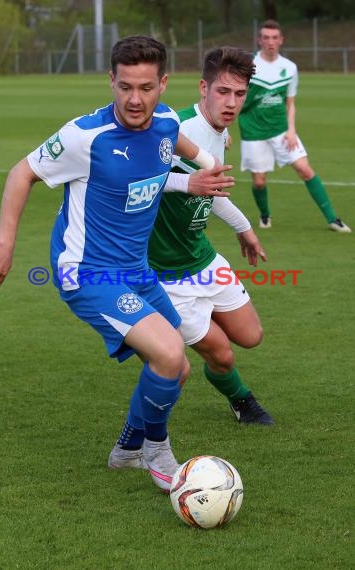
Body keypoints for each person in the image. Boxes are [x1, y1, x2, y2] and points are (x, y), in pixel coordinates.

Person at [0, 36, 234, 493]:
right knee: (170, 354)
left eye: (146, 88)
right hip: (88, 272)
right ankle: (158, 452)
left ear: (163, 85)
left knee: (178, 367)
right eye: (126, 87)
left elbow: (177, 142)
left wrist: (207, 166)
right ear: (111, 81)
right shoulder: (85, 136)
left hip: (135, 269)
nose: (135, 99)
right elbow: (22, 173)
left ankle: (127, 450)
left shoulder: (168, 123)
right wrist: (4, 243)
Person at [109, 46, 273, 474]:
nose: (231, 103)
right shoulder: (174, 127)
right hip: (166, 276)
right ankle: (242, 402)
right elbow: (135, 181)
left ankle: (183, 347)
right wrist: (188, 183)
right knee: (222, 356)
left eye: (240, 94)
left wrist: (244, 229)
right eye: (223, 92)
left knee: (251, 335)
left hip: (202, 258)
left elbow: (210, 190)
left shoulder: (221, 132)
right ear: (204, 88)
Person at [238, 19, 351, 233]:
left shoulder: (290, 68)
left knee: (305, 169)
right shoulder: (247, 66)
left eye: (274, 38)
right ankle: (265, 215)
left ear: (281, 40)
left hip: (281, 130)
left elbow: (290, 103)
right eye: (266, 38)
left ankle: (333, 219)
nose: (270, 42)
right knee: (260, 182)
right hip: (253, 132)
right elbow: (235, 99)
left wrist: (291, 130)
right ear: (259, 40)